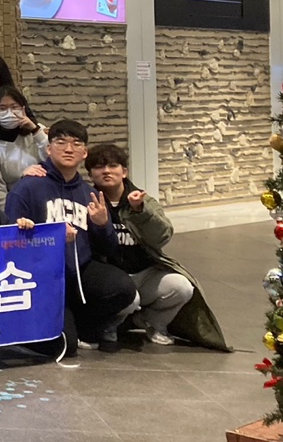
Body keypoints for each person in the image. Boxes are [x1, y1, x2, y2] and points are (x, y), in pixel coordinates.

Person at [4, 120, 136, 359]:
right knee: (66, 347)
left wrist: (102, 225)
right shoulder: (28, 187)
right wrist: (53, 237)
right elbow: (10, 243)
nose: (68, 149)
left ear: (84, 153)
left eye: (76, 144)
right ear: (48, 148)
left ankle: (84, 323)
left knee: (123, 288)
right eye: (60, 142)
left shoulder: (90, 193)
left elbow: (109, 249)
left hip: (78, 273)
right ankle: (55, 325)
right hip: (41, 277)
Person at [85, 144, 230, 350]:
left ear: (124, 172)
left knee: (182, 287)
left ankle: (151, 322)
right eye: (99, 167)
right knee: (128, 297)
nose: (106, 171)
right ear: (91, 174)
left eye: (113, 166)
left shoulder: (142, 200)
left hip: (145, 273)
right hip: (111, 278)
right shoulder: (86, 200)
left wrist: (141, 211)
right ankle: (110, 325)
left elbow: (163, 236)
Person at [0, 85, 49, 186]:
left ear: (23, 108)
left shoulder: (37, 132)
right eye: (2, 108)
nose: (9, 113)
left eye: (14, 107)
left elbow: (53, 157)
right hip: (13, 193)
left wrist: (35, 130)